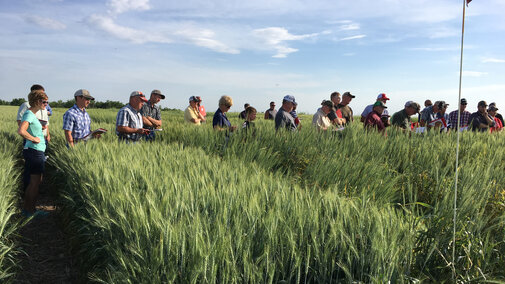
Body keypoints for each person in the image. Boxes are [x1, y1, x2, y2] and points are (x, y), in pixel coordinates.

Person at [17, 90, 49, 217]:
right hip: (35, 152)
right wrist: (34, 138)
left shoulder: (32, 114)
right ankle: (30, 211)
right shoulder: (29, 114)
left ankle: (27, 209)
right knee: (35, 183)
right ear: (37, 101)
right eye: (44, 101)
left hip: (34, 152)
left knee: (33, 182)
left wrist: (38, 129)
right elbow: (21, 131)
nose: (46, 104)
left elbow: (27, 129)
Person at [17, 84, 50, 153]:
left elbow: (46, 122)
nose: (43, 94)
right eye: (40, 93)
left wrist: (48, 134)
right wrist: (32, 138)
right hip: (33, 140)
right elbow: (20, 122)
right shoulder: (26, 106)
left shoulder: (44, 107)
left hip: (42, 137)